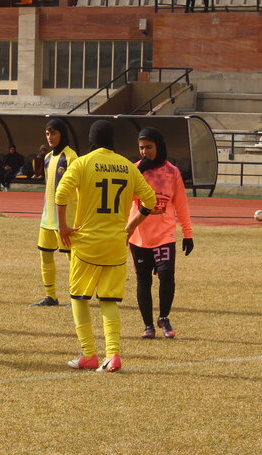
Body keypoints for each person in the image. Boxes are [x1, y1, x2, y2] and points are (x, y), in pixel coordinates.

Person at [54, 120, 156, 373]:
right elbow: (150, 200)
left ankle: (88, 354)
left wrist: (63, 227)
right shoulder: (127, 166)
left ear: (91, 139)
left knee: (79, 298)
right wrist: (131, 226)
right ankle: (113, 355)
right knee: (109, 301)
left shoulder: (82, 163)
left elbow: (60, 194)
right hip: (115, 244)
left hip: (87, 243)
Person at [129, 128, 194, 340]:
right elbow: (123, 198)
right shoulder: (134, 170)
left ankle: (164, 317)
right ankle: (148, 325)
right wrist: (137, 173)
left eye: (149, 147)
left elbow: (181, 204)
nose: (144, 152)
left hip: (165, 235)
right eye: (141, 148)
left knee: (166, 275)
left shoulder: (172, 172)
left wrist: (188, 233)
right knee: (143, 280)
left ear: (159, 146)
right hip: (139, 236)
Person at [32, 118, 78, 307]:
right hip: (47, 217)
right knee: (45, 254)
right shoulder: (48, 157)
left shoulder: (71, 157)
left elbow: (77, 188)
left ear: (62, 134)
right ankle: (51, 296)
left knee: (71, 257)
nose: (50, 137)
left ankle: (76, 296)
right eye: (48, 133)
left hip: (65, 218)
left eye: (54, 133)